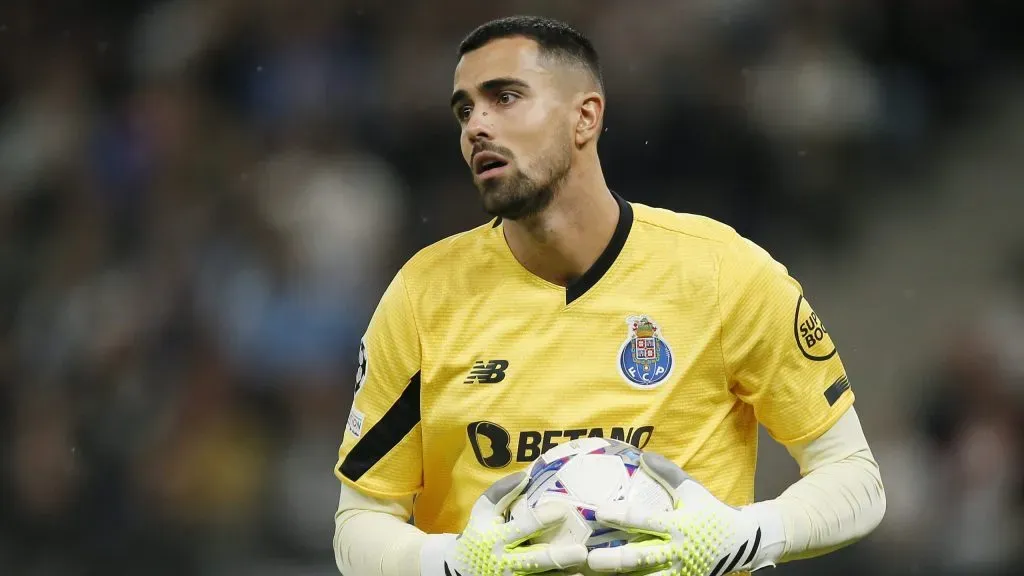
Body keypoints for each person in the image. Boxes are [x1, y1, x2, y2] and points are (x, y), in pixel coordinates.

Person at [333, 15, 885, 576]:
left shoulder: (722, 274)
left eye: (504, 97)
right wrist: (451, 563)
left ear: (585, 116)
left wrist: (747, 536)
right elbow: (360, 519)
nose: (476, 126)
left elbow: (854, 477)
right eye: (465, 110)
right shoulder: (422, 296)